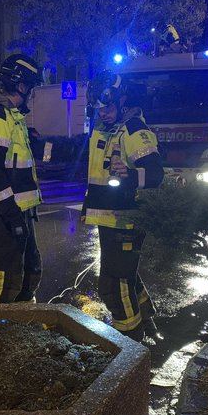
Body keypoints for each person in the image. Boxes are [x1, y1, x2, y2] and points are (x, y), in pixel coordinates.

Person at [83, 71, 165, 342]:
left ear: (122, 101)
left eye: (107, 107)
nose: (103, 113)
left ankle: (130, 343)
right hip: (109, 220)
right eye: (98, 108)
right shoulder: (104, 128)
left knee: (113, 286)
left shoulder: (133, 129)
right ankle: (146, 323)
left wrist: (130, 177)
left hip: (126, 221)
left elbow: (155, 175)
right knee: (126, 277)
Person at [0, 54, 44, 303]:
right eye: (32, 88)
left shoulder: (14, 117)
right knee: (3, 282)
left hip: (19, 211)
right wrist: (12, 216)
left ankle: (18, 331)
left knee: (28, 273)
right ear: (22, 86)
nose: (32, 95)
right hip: (5, 214)